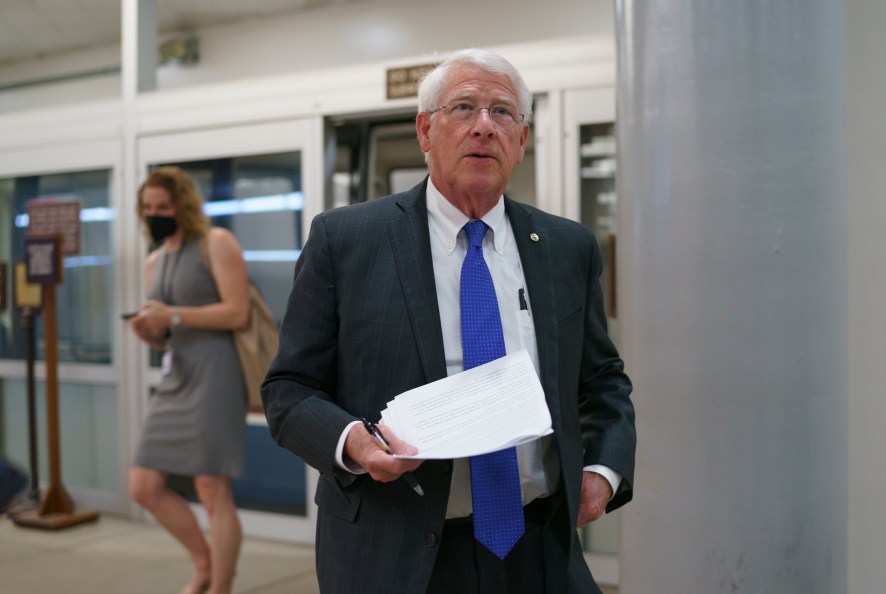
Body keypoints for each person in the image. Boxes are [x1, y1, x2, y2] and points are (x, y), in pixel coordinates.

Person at [262, 49, 636, 594]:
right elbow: (288, 390)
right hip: (395, 552)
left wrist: (602, 473)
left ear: (522, 140)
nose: (484, 127)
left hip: (540, 549)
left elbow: (602, 381)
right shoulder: (346, 242)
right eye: (464, 108)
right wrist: (354, 443)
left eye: (503, 113)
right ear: (424, 131)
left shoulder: (566, 247)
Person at [128, 166, 249, 594]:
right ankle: (203, 561)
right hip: (177, 371)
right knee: (142, 486)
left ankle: (219, 585)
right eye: (147, 207)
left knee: (212, 488)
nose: (154, 213)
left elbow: (238, 312)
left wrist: (174, 315)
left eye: (163, 206)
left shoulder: (215, 243)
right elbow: (167, 334)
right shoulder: (154, 259)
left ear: (183, 206)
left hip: (216, 371)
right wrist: (153, 333)